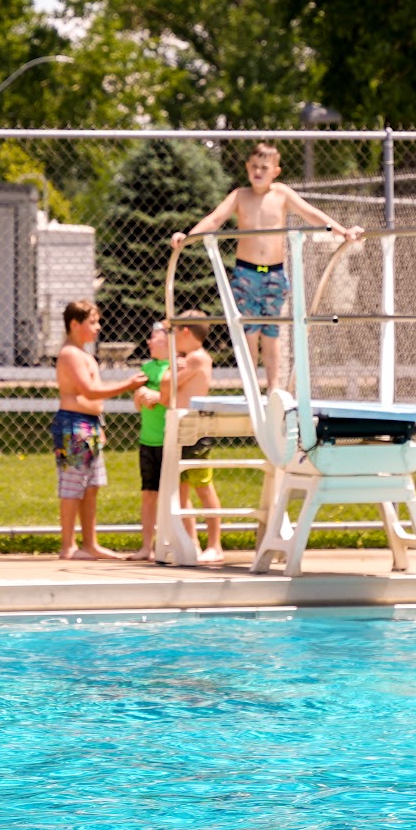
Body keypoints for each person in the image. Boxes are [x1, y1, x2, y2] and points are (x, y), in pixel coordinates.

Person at [172, 142, 361, 393]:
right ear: (247, 168)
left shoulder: (281, 194)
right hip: (246, 273)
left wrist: (343, 231)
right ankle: (251, 387)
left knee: (271, 333)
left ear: (276, 171)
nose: (258, 172)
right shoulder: (240, 196)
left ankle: (273, 388)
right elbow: (215, 219)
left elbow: (311, 214)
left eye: (264, 167)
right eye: (254, 167)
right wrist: (188, 237)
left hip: (273, 273)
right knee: (249, 331)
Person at [52, 299, 147, 560]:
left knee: (91, 486)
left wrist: (99, 424)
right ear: (75, 324)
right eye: (92, 322)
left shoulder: (85, 355)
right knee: (73, 486)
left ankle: (90, 544)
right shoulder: (70, 354)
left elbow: (93, 398)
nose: (98, 327)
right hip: (73, 426)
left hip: (90, 425)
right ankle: (68, 546)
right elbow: (89, 391)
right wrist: (128, 385)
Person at [143, 311, 224, 562]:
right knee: (180, 490)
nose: (171, 338)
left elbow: (166, 386)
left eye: (174, 332)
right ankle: (191, 543)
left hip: (195, 432)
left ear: (185, 332)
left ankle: (215, 545)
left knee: (203, 487)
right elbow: (168, 391)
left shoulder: (196, 358)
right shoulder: (187, 359)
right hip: (182, 430)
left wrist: (169, 374)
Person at [128, 321, 171, 562]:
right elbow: (138, 405)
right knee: (148, 494)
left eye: (154, 337)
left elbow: (175, 398)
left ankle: (177, 543)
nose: (149, 341)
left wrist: (157, 396)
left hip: (168, 441)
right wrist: (141, 396)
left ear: (168, 340)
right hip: (148, 441)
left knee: (174, 495)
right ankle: (147, 547)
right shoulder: (146, 368)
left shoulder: (176, 367)